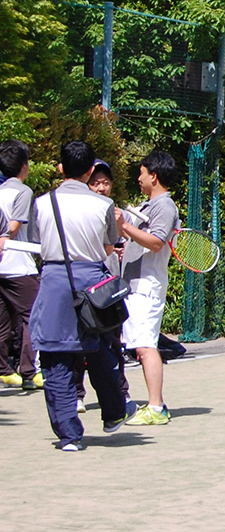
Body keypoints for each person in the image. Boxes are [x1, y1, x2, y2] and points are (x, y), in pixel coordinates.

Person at [28, 141, 137, 451]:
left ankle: (68, 434)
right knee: (101, 347)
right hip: (93, 283)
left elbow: (38, 240)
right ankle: (114, 411)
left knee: (55, 354)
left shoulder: (42, 202)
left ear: (60, 168)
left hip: (54, 280)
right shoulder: (103, 205)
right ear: (91, 171)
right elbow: (110, 243)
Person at [116, 150, 180, 426]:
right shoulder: (147, 206)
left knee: (145, 347)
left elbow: (155, 242)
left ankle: (156, 406)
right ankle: (153, 404)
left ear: (153, 176)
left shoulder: (164, 207)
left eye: (141, 173)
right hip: (134, 286)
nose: (138, 178)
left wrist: (125, 227)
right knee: (139, 346)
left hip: (147, 287)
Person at [71, 159, 130, 414]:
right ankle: (76, 394)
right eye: (95, 182)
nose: (101, 187)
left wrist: (121, 237)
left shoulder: (116, 212)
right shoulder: (80, 210)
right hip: (84, 286)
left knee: (113, 341)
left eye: (106, 182)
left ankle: (121, 391)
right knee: (78, 343)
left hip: (109, 289)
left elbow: (125, 243)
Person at [0, 139, 40, 390]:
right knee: (31, 316)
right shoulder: (23, 192)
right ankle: (28, 371)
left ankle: (3, 369)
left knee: (2, 319)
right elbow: (14, 227)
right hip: (19, 264)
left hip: (2, 267)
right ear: (24, 166)